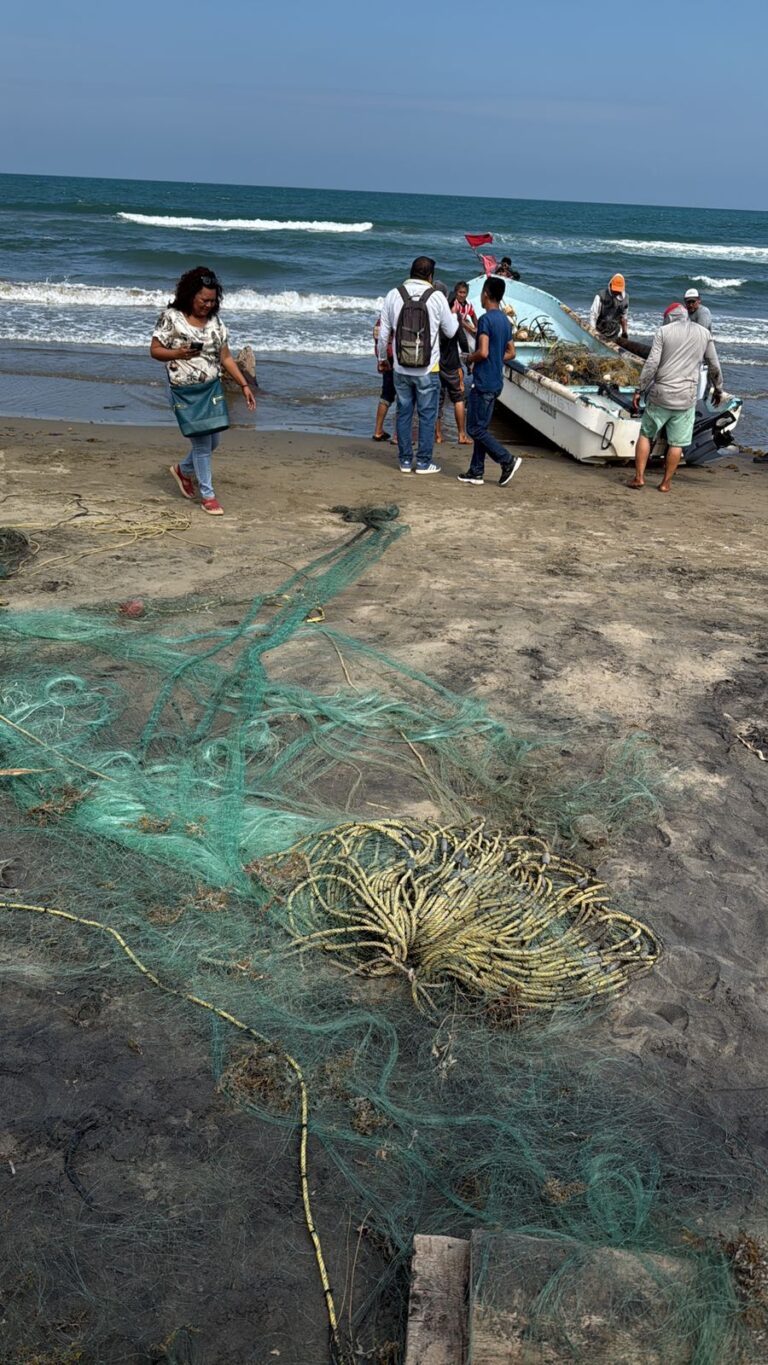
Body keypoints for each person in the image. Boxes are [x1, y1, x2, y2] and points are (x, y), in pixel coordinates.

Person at [151, 266, 255, 515]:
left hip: (211, 389)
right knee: (201, 444)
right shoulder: (172, 318)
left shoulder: (216, 323)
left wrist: (244, 385)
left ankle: (183, 470)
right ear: (190, 295)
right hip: (184, 392)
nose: (208, 305)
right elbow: (154, 350)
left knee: (213, 441)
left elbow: (226, 357)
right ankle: (208, 496)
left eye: (212, 300)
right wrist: (177, 353)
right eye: (203, 300)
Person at [629, 302, 724, 494]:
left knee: (646, 435)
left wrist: (639, 389)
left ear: (669, 318)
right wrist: (718, 389)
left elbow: (652, 364)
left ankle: (639, 477)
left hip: (661, 395)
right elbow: (714, 365)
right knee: (676, 443)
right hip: (686, 397)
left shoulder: (663, 332)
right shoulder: (704, 334)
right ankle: (665, 483)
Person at [377, 256, 458, 474]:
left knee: (403, 413)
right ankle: (423, 463)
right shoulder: (437, 297)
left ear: (411, 271)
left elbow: (384, 334)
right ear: (431, 276)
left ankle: (404, 461)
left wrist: (382, 360)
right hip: (428, 368)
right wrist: (456, 317)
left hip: (401, 367)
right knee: (427, 415)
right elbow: (450, 331)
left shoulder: (394, 294)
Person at [458, 276, 522, 487]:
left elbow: (483, 352)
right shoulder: (504, 320)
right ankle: (476, 471)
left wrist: (469, 358)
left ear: (486, 293)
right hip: (496, 380)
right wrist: (495, 356)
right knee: (481, 428)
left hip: (484, 380)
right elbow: (511, 352)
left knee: (475, 429)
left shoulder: (486, 320)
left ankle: (506, 460)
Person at [433, 282, 470, 446]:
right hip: (453, 364)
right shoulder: (454, 318)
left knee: (437, 401)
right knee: (458, 398)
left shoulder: (435, 316)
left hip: (437, 364)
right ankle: (461, 435)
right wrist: (468, 361)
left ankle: (438, 435)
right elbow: (462, 340)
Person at [372, 315, 395, 442]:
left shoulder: (380, 320)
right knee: (405, 397)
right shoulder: (393, 317)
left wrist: (381, 359)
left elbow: (378, 339)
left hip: (385, 359)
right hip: (397, 359)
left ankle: (378, 430)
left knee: (386, 396)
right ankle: (398, 435)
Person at [589, 274, 629, 340]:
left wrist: (624, 332)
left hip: (614, 331)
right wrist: (593, 332)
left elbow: (624, 317)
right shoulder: (601, 295)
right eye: (614, 290)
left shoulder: (625, 299)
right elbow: (593, 315)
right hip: (600, 330)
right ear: (610, 285)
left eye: (618, 291)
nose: (616, 292)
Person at [449, 281, 477, 353]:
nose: (462, 295)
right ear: (456, 292)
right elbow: (459, 319)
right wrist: (471, 329)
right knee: (459, 348)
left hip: (463, 327)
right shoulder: (453, 302)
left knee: (473, 344)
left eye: (464, 293)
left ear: (467, 294)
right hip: (454, 327)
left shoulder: (468, 303)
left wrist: (477, 327)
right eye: (460, 292)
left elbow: (473, 315)